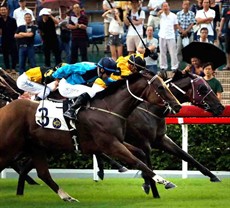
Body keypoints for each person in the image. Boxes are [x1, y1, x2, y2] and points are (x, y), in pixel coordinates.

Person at [44, 57, 120, 119]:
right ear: (102, 70)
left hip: (74, 87)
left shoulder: (99, 71)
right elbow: (67, 68)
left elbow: (108, 80)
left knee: (94, 91)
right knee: (92, 91)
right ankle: (71, 111)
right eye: (109, 73)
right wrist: (53, 76)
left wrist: (119, 83)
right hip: (66, 87)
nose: (109, 75)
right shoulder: (86, 68)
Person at [158, 2, 179, 72]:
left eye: (166, 6)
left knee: (173, 52)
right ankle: (163, 67)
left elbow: (176, 26)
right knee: (162, 52)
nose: (165, 8)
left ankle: (174, 67)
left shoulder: (174, 16)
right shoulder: (161, 15)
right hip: (162, 35)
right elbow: (157, 14)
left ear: (169, 7)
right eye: (164, 6)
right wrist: (161, 11)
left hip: (171, 36)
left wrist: (171, 31)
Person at [0, 4, 18, 74]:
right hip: (4, 39)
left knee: (14, 54)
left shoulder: (12, 20)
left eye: (4, 10)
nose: (3, 11)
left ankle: (13, 68)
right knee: (5, 54)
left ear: (7, 10)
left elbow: (15, 29)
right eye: (1, 10)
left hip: (12, 39)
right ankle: (7, 68)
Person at [218, 6, 230, 70]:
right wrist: (220, 30)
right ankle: (228, 65)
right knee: (227, 49)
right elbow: (222, 20)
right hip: (227, 33)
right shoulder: (226, 9)